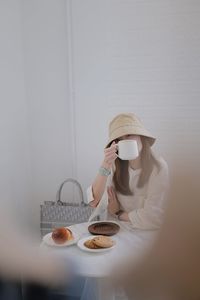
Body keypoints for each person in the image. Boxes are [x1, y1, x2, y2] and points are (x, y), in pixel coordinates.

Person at [87, 113, 169, 229]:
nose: (124, 141)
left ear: (141, 136)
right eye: (119, 139)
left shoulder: (158, 168)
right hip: (115, 232)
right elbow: (94, 201)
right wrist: (105, 164)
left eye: (129, 135)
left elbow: (154, 216)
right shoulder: (114, 165)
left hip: (145, 233)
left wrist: (118, 213)